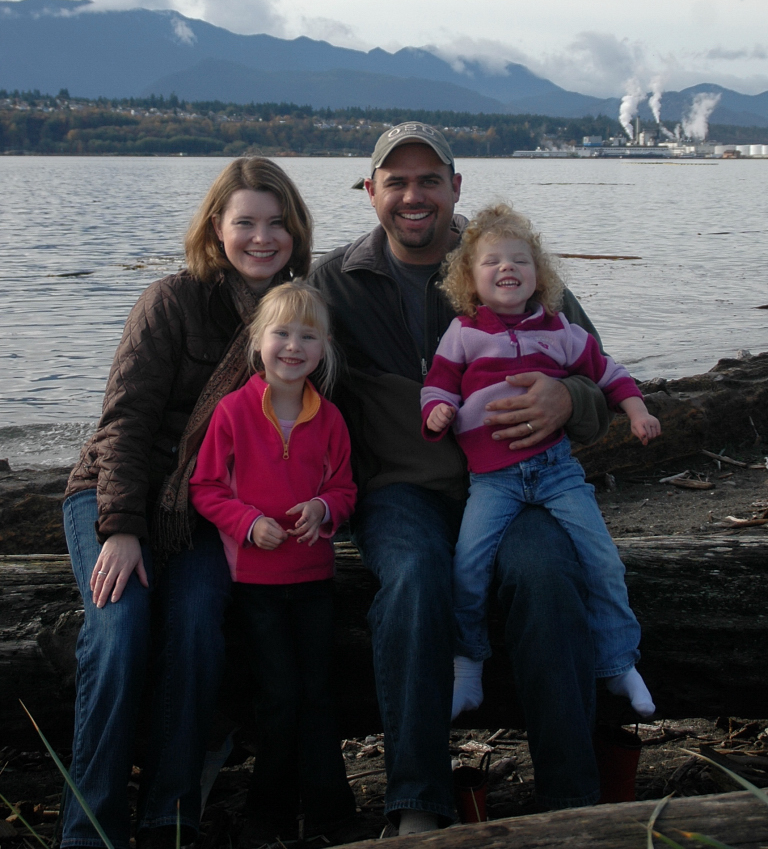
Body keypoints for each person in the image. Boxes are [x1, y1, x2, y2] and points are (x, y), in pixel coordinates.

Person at [309, 122, 614, 834]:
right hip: (401, 493)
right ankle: (418, 801)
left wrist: (570, 399)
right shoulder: (336, 282)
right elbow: (280, 362)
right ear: (371, 191)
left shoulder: (507, 262)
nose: (414, 196)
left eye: (429, 180)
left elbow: (601, 375)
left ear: (456, 187)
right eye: (396, 182)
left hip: (519, 484)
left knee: (546, 575)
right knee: (413, 580)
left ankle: (573, 803)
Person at [61, 158, 313, 849]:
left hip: (208, 512)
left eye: (277, 223)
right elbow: (124, 425)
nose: (262, 238)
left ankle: (171, 818)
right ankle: (90, 831)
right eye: (245, 223)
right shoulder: (171, 301)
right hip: (115, 495)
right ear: (215, 229)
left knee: (199, 627)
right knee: (119, 632)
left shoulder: (297, 316)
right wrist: (120, 528)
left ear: (296, 230)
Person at [420, 204, 659, 724]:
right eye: (492, 262)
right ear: (469, 279)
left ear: (539, 275)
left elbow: (607, 370)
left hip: (556, 471)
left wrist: (637, 410)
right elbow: (437, 383)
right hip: (493, 481)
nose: (507, 268)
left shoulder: (560, 330)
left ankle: (619, 661)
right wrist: (437, 410)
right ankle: (467, 667)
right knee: (468, 568)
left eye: (520, 260)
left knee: (603, 561)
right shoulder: (463, 333)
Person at [189, 282, 357, 845]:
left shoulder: (329, 417)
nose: (293, 346)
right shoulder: (234, 412)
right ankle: (269, 814)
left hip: (312, 581)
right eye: (281, 333)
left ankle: (332, 813)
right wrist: (245, 522)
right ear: (258, 342)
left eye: (307, 336)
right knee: (278, 696)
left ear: (325, 347)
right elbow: (206, 487)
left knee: (318, 694)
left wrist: (323, 508)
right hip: (256, 584)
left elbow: (345, 489)